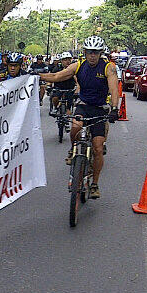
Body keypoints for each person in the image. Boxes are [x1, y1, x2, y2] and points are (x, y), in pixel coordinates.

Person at [40, 35, 119, 199]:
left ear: (100, 53)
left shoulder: (108, 67)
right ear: (84, 52)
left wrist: (114, 108)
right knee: (75, 126)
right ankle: (73, 150)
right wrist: (36, 76)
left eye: (96, 53)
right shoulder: (78, 66)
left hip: (99, 109)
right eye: (90, 52)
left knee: (98, 148)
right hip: (83, 105)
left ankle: (95, 184)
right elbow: (56, 77)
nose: (92, 56)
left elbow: (114, 89)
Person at [48, 51, 77, 116]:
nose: (67, 61)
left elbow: (77, 78)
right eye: (65, 60)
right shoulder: (56, 68)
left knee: (69, 108)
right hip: (58, 88)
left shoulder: (73, 68)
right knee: (55, 98)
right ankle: (55, 108)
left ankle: (68, 114)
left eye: (69, 59)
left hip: (70, 89)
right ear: (61, 61)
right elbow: (52, 77)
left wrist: (78, 86)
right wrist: (48, 84)